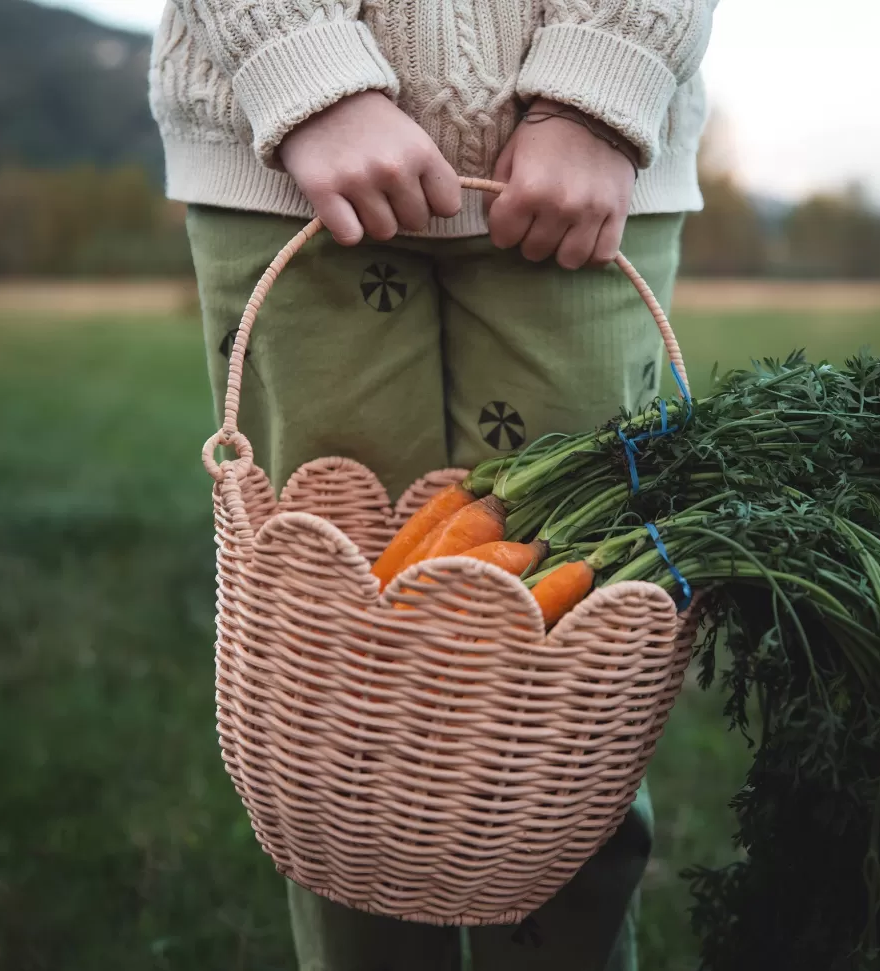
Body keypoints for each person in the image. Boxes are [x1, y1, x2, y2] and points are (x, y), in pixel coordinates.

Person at [151, 2, 717, 969]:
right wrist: (302, 66)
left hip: (586, 178)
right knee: (332, 708)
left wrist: (604, 80)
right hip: (283, 164)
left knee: (569, 710)